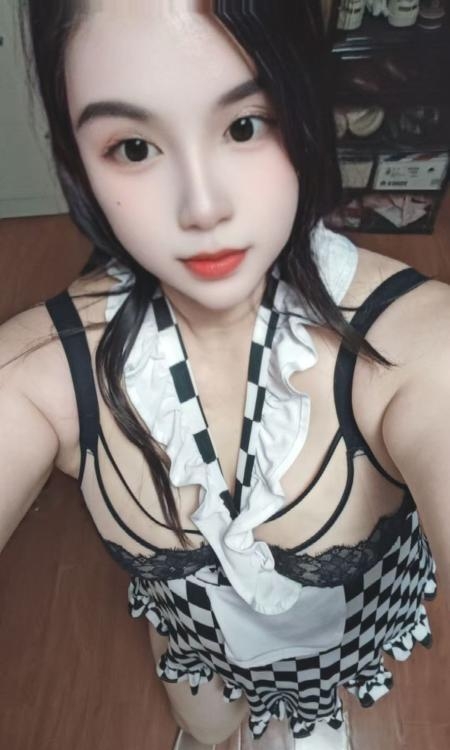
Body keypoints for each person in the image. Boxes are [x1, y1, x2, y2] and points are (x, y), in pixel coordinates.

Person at [1, 1, 449, 748]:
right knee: (205, 723)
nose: (202, 208)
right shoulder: (42, 373)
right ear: (77, 157)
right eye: (134, 147)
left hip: (336, 646)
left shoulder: (415, 351)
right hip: (192, 643)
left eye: (245, 126)